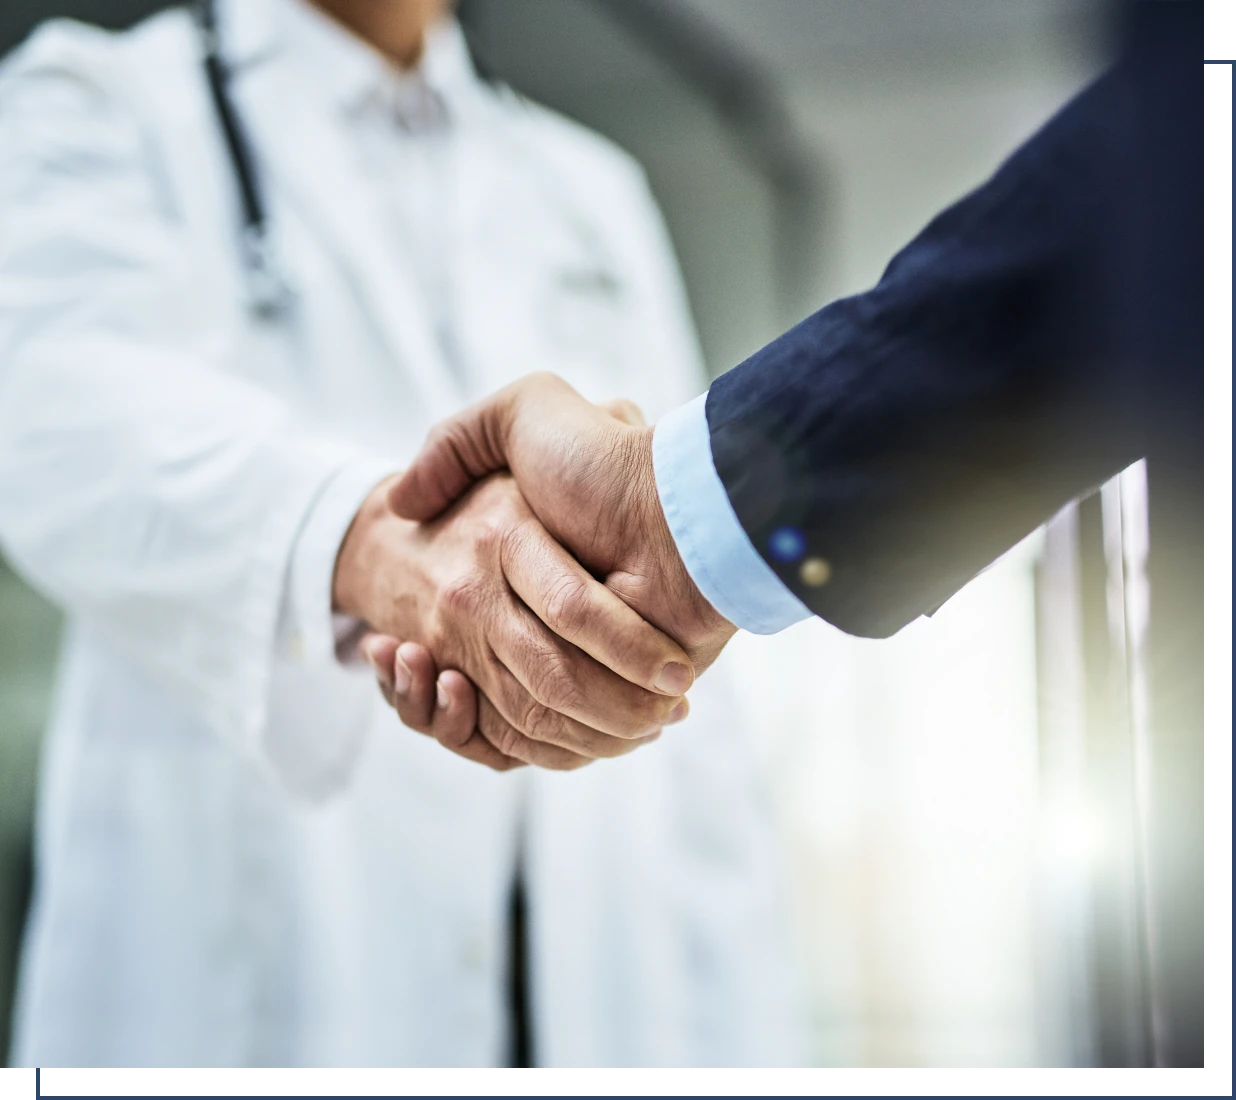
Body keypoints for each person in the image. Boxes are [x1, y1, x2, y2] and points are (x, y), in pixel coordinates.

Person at [376, 0, 1206, 1070]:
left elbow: (1168, 164)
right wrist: (655, 525)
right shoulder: (97, 101)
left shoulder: (590, 189)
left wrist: (674, 518)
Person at [0, 0, 803, 1069]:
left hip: (590, 1001)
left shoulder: (588, 192)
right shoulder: (92, 105)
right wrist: (378, 548)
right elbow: (53, 413)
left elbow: (704, 725)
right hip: (249, 998)